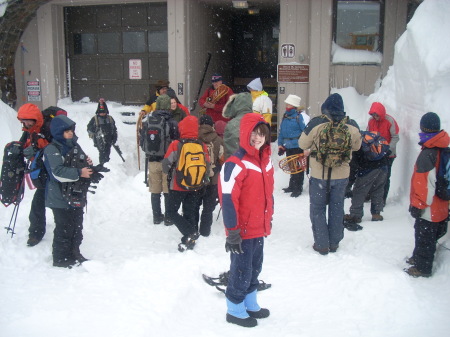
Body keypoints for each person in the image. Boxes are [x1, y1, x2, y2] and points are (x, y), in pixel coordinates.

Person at [219, 113, 273, 328]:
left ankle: (251, 304)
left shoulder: (265, 162)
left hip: (259, 228)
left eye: (262, 134)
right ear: (245, 134)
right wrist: (232, 230)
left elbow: (268, 195)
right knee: (241, 271)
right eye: (254, 134)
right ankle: (234, 309)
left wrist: (268, 218)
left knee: (255, 268)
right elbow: (228, 199)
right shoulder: (236, 164)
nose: (258, 138)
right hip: (240, 231)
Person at [299, 93, 361, 255]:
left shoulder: (317, 123)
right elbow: (357, 146)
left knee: (318, 208)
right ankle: (334, 242)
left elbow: (302, 143)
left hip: (320, 175)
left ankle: (322, 244)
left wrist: (316, 145)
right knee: (337, 207)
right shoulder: (352, 125)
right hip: (341, 176)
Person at [44, 115, 99, 268]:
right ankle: (61, 258)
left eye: (71, 131)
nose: (70, 134)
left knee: (76, 227)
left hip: (75, 193)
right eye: (66, 131)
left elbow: (79, 162)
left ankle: (74, 253)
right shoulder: (52, 149)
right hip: (59, 197)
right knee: (64, 228)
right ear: (58, 132)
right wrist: (80, 172)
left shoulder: (74, 145)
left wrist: (87, 164)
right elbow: (57, 172)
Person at [406, 112, 449, 278]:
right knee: (429, 237)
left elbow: (425, 185)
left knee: (424, 237)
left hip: (429, 208)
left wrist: (418, 205)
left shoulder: (428, 153)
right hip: (442, 204)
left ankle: (422, 268)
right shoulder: (443, 148)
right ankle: (418, 258)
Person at [162, 115, 210, 251]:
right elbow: (207, 165)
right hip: (195, 185)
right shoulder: (202, 145)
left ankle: (190, 233)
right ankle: (189, 241)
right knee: (189, 212)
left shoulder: (176, 144)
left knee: (171, 212)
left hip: (178, 185)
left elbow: (165, 165)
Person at [16, 103, 50, 247]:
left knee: (61, 204)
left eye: (28, 120)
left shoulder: (48, 129)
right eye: (23, 120)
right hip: (41, 173)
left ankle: (67, 229)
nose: (26, 123)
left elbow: (56, 149)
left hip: (54, 171)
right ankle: (35, 233)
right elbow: (22, 144)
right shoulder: (28, 131)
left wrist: (36, 151)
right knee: (38, 202)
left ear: (36, 118)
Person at [343, 132, 391, 231]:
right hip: (383, 166)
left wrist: (348, 185)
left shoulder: (355, 145)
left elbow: (353, 168)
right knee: (378, 189)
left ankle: (355, 215)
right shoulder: (367, 136)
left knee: (359, 191)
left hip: (368, 168)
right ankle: (376, 213)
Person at [146, 94, 179, 225]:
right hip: (167, 161)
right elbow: (176, 141)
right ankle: (169, 217)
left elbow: (143, 142)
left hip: (152, 159)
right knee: (167, 190)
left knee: (155, 191)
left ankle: (156, 216)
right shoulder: (172, 122)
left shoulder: (148, 121)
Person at [196, 114, 224, 237]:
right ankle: (205, 231)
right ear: (212, 125)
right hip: (213, 179)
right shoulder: (218, 139)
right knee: (208, 207)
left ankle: (192, 228)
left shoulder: (194, 138)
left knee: (195, 205)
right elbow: (223, 159)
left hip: (196, 178)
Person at [367, 102, 399, 204]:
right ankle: (370, 195)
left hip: (388, 154)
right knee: (372, 175)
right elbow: (368, 135)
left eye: (377, 115)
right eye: (373, 115)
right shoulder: (370, 121)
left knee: (385, 177)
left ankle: (382, 199)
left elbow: (395, 137)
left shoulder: (390, 121)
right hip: (375, 153)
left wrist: (388, 149)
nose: (375, 117)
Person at [277, 94, 306, 197]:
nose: (286, 105)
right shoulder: (285, 116)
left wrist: (304, 146)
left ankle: (298, 188)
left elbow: (305, 131)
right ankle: (292, 186)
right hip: (288, 146)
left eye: (288, 104)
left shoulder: (299, 117)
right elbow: (281, 132)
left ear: (293, 106)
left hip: (297, 146)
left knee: (298, 168)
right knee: (291, 167)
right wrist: (280, 145)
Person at [87, 99, 118, 166]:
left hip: (109, 139)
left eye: (104, 112)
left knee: (107, 152)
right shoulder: (95, 119)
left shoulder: (110, 119)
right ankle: (102, 164)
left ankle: (108, 164)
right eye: (101, 112)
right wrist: (94, 130)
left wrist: (114, 138)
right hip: (99, 139)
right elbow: (89, 128)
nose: (102, 114)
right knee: (102, 152)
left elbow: (114, 129)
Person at [222, 92, 253, 159]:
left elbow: (230, 150)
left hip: (240, 165)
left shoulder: (232, 124)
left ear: (235, 106)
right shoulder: (260, 121)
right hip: (258, 166)